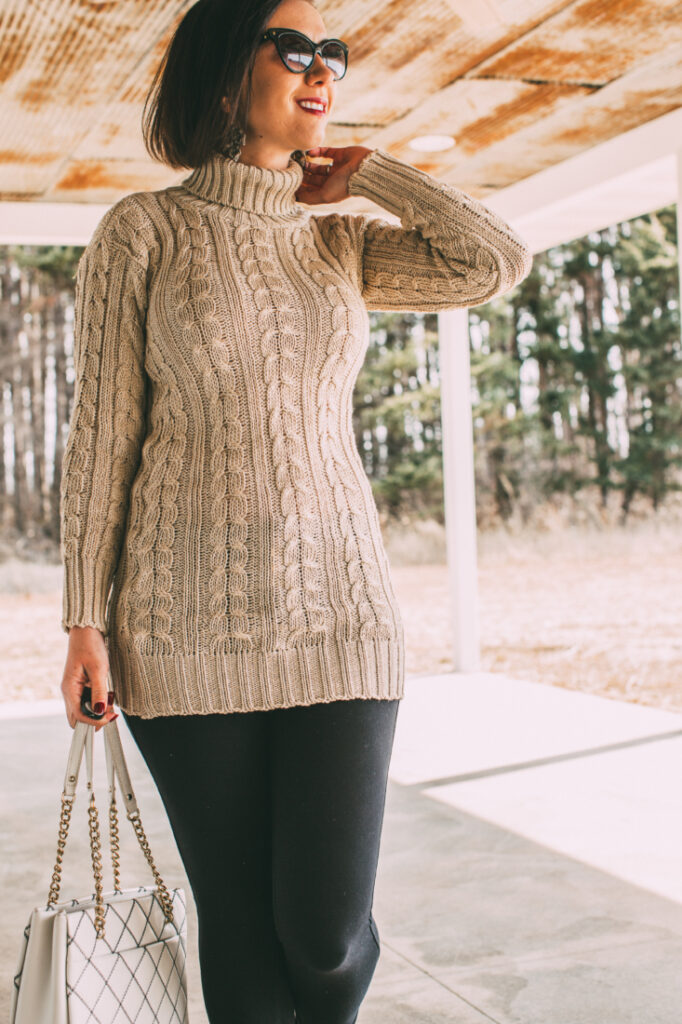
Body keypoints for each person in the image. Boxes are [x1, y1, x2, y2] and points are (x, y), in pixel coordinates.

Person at [58, 0, 533, 1020]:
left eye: (335, 54)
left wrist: (369, 175)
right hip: (181, 630)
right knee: (237, 923)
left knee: (323, 933)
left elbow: (492, 261)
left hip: (340, 621)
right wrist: (84, 619)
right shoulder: (144, 231)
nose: (322, 70)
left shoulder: (341, 246)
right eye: (294, 49)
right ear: (227, 74)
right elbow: (103, 439)